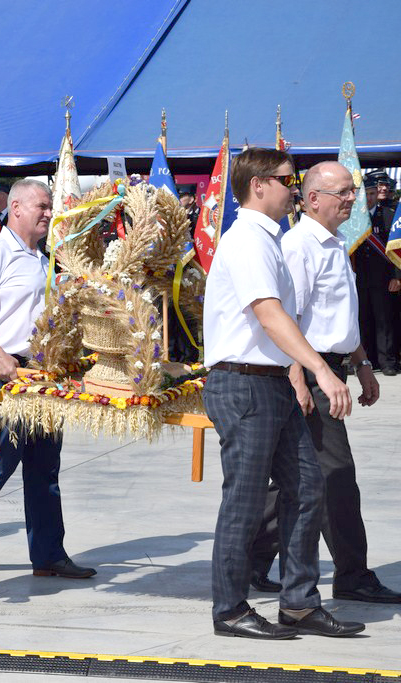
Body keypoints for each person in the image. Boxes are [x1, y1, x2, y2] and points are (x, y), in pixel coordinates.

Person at [202, 147, 363, 639]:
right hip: (243, 382)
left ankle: (298, 603)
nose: (295, 189)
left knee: (308, 488)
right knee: (246, 501)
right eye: (288, 181)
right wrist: (319, 368)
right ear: (259, 185)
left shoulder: (269, 238)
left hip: (270, 381)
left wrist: (303, 370)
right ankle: (230, 609)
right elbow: (269, 313)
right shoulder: (247, 239)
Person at [248, 162, 401, 604]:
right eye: (343, 192)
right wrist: (300, 377)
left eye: (353, 190)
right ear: (313, 198)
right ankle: (352, 574)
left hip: (332, 366)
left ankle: (248, 556)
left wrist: (363, 362)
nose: (352, 198)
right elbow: (286, 321)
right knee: (335, 475)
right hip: (308, 373)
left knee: (305, 477)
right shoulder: (298, 246)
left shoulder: (334, 244)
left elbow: (338, 315)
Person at [0, 179, 95, 580]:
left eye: (49, 207)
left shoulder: (43, 260)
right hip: (4, 371)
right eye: (42, 206)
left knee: (45, 465)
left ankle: (48, 554)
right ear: (18, 208)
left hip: (42, 373)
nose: (48, 213)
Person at [354, 170, 400, 375]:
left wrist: (397, 277)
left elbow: (397, 248)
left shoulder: (389, 215)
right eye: (367, 194)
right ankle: (368, 360)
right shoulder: (353, 219)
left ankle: (387, 362)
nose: (370, 198)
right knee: (363, 320)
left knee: (384, 321)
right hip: (360, 278)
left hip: (383, 278)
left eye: (373, 193)